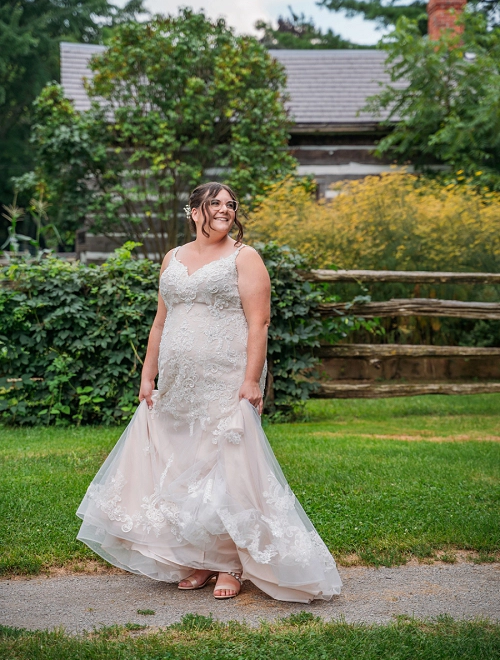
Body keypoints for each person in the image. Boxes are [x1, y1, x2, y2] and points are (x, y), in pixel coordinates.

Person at [76, 182, 342, 602]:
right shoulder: (173, 257)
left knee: (227, 465)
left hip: (228, 373)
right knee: (185, 461)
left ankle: (231, 563)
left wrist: (252, 380)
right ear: (194, 210)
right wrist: (148, 374)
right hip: (180, 381)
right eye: (215, 203)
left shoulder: (245, 257)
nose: (225, 209)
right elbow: (161, 322)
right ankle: (200, 558)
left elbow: (260, 323)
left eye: (230, 204)